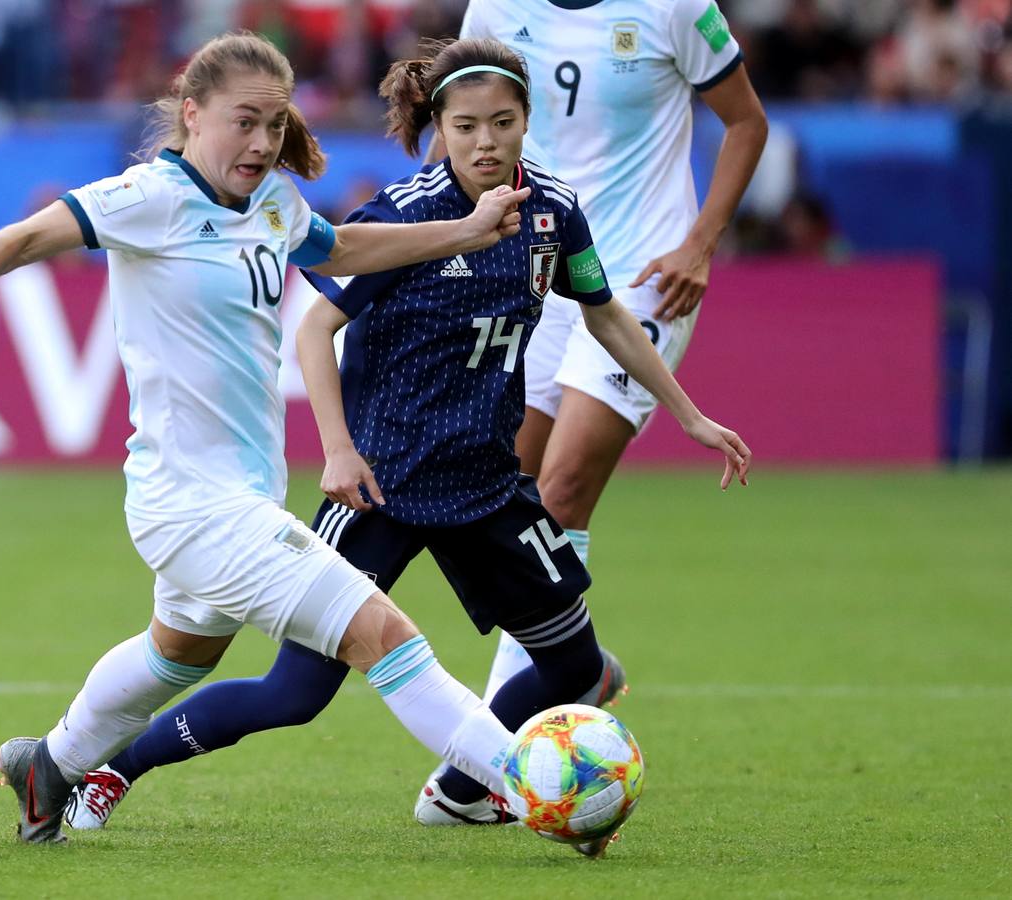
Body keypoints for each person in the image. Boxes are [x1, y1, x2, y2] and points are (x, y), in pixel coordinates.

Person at [66, 38, 750, 856]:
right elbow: (317, 326)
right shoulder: (408, 215)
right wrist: (338, 450)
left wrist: (688, 413)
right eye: (466, 126)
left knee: (576, 667)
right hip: (379, 488)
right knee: (295, 694)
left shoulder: (553, 213)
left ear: (531, 122)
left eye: (503, 122)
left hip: (489, 485)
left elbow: (606, 315)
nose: (486, 141)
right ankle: (114, 770)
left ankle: (465, 791)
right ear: (439, 128)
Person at [0, 32, 534, 845]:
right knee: (384, 636)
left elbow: (343, 249)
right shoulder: (147, 198)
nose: (262, 142)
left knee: (177, 657)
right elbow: (25, 238)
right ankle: (537, 784)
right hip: (195, 506)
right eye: (243, 122)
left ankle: (48, 766)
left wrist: (466, 233)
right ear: (192, 115)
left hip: (236, 494)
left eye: (274, 123)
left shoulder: (271, 204)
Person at [440, 0, 768, 711]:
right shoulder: (495, 7)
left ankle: (495, 751)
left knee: (561, 492)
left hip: (645, 277)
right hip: (535, 271)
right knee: (507, 499)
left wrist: (700, 243)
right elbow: (460, 127)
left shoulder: (674, 7)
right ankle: (572, 682)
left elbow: (747, 121)